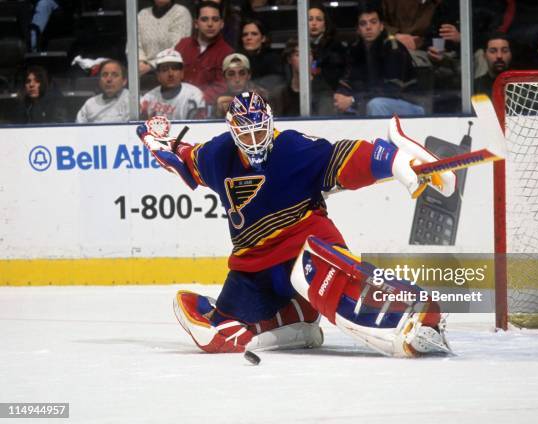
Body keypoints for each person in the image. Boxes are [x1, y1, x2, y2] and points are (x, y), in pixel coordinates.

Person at [136, 91, 455, 357]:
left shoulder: (292, 146)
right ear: (232, 131)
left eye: (259, 130)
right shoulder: (218, 154)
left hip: (305, 245)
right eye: (245, 133)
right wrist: (156, 141)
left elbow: (341, 157)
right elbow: (184, 160)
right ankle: (297, 316)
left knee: (324, 275)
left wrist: (396, 163)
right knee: (223, 332)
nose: (254, 139)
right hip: (253, 265)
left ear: (270, 121)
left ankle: (420, 312)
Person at [334, 5, 424, 117]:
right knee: (342, 104)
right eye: (363, 24)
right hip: (371, 100)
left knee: (376, 104)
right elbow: (348, 80)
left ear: (381, 26)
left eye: (373, 22)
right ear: (358, 30)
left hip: (408, 104)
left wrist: (353, 100)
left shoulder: (393, 48)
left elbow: (391, 90)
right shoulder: (355, 50)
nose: (368, 27)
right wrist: (341, 95)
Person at [175, 1, 233, 105]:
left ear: (221, 24)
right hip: (176, 103)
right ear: (196, 24)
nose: (210, 24)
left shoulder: (228, 53)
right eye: (204, 19)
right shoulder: (183, 45)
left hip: (207, 109)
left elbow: (221, 87)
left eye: (215, 20)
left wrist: (195, 100)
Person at [140, 49, 207, 120]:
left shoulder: (194, 96)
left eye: (175, 68)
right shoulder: (148, 99)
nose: (171, 74)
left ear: (182, 73)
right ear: (158, 75)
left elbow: (197, 127)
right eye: (164, 69)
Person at [278, 38, 334, 116]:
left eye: (309, 54)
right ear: (289, 59)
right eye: (298, 55)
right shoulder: (280, 94)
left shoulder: (323, 91)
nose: (304, 59)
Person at [137, 0, 193, 76]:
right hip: (142, 72)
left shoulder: (181, 12)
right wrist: (140, 62)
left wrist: (151, 65)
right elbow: (134, 44)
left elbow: (178, 47)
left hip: (170, 72)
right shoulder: (142, 14)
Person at [214, 53, 268, 117]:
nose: (237, 79)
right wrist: (219, 113)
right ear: (224, 77)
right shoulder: (220, 100)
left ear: (249, 75)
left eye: (242, 73)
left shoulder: (262, 96)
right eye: (231, 74)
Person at [308, 2, 346, 91]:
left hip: (327, 90)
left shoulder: (335, 46)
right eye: (310, 19)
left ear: (325, 24)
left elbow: (335, 75)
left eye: (319, 19)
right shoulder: (297, 45)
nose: (314, 23)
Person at [237, 18, 284, 90]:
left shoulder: (273, 59)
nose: (249, 38)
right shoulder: (236, 60)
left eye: (254, 34)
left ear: (263, 38)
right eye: (245, 35)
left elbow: (276, 83)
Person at [474, 33, 513, 98]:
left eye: (505, 51)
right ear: (484, 55)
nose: (499, 56)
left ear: (511, 54)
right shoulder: (474, 87)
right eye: (493, 51)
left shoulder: (521, 87)